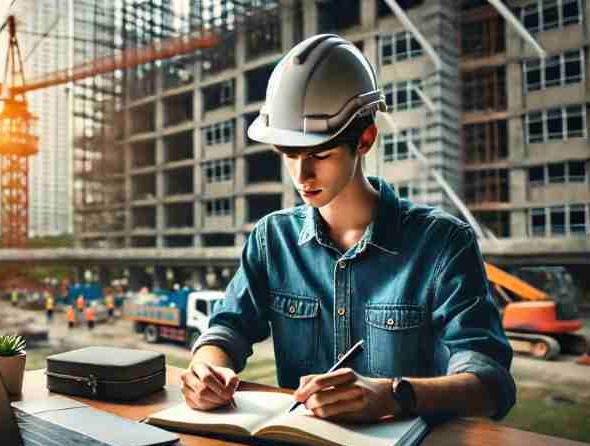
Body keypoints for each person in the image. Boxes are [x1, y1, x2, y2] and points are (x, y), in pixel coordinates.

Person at [182, 34, 516, 424]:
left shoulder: (443, 244)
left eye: (319, 155)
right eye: (289, 155)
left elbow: (492, 384)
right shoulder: (272, 241)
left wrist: (395, 395)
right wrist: (206, 369)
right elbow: (227, 329)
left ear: (365, 140)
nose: (301, 175)